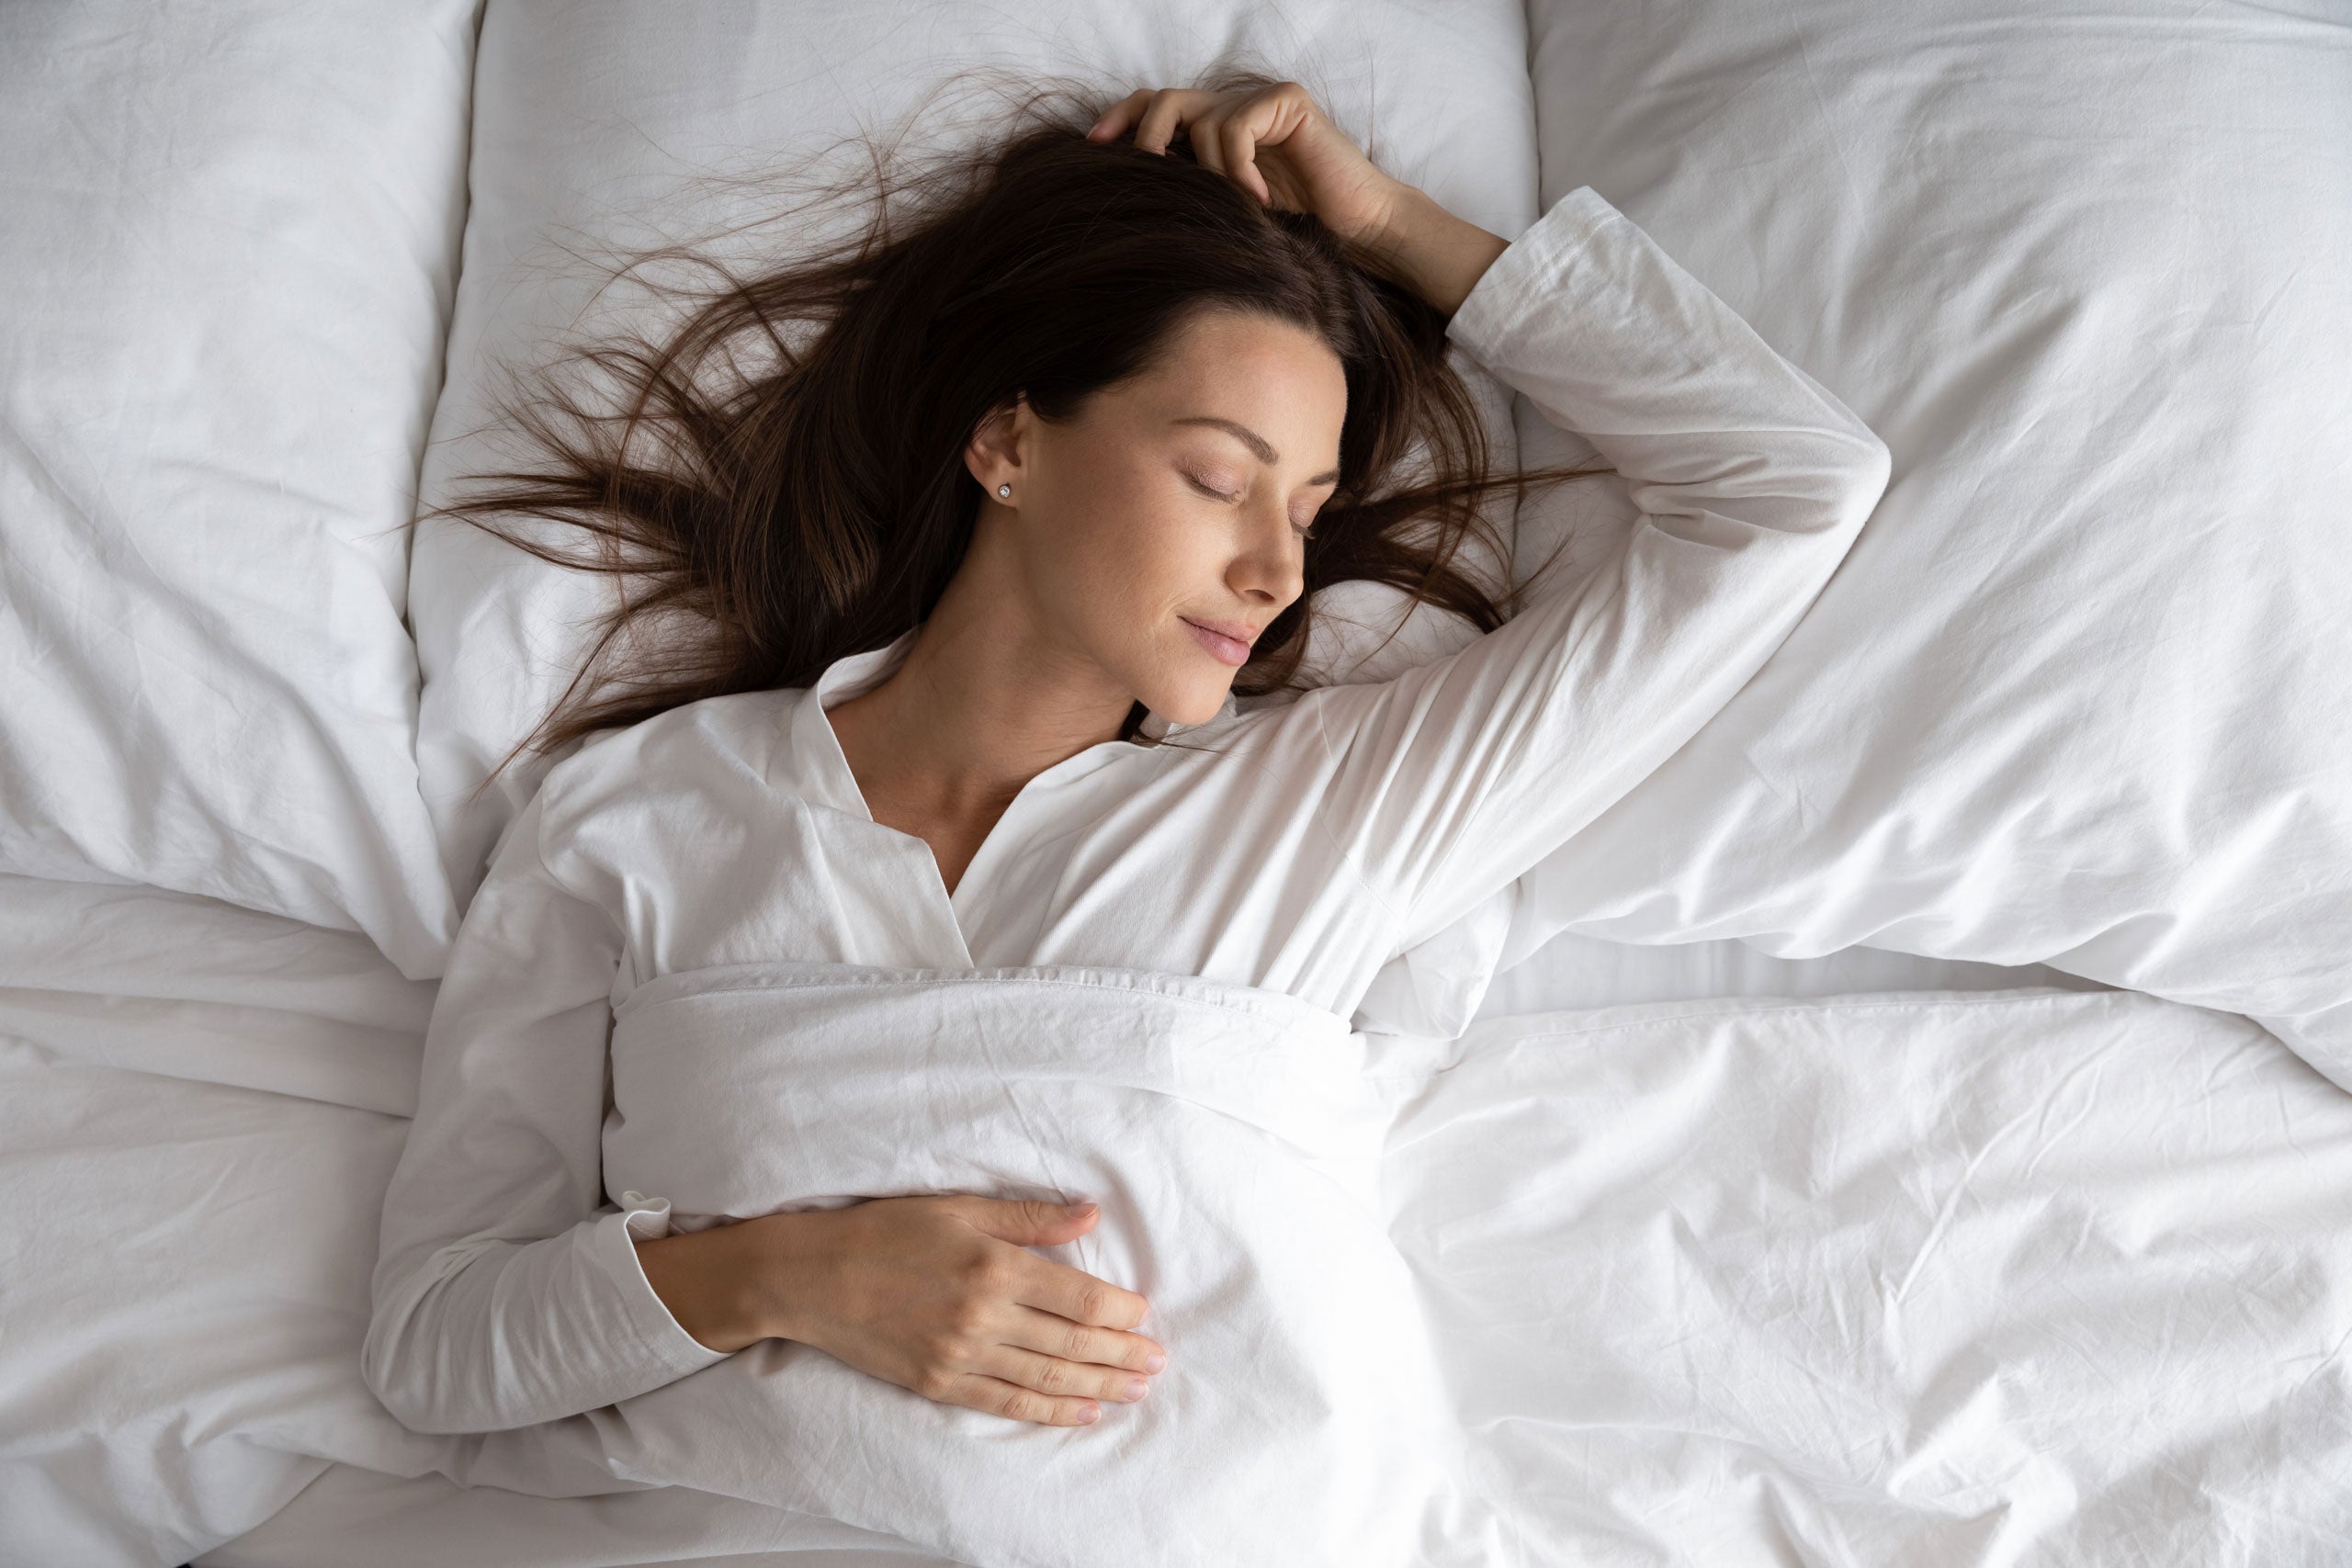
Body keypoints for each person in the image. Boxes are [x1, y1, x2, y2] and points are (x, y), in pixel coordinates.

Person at [364, 78, 1891, 1442]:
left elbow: (1790, 486)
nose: (1276, 568)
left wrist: (1391, 223)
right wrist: (785, 1271)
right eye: (1220, 478)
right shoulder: (641, 817)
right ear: (1011, 446)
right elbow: (434, 1343)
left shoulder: (1329, 809)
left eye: (1306, 507)